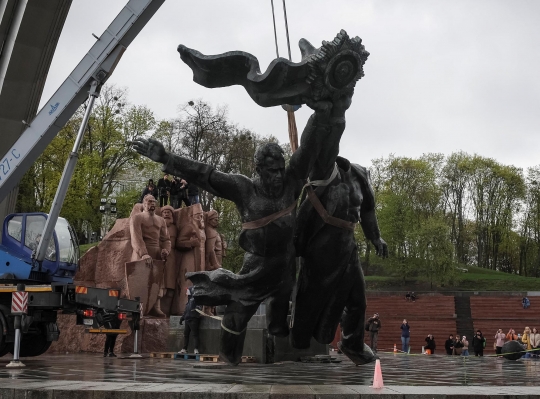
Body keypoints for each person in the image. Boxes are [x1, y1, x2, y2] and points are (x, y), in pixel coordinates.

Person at [133, 93, 346, 365]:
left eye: (280, 169)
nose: (278, 175)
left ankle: (283, 341)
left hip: (285, 266)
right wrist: (168, 158)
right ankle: (228, 361)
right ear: (259, 170)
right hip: (256, 267)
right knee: (235, 319)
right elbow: (206, 175)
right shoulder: (245, 189)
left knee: (280, 323)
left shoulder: (293, 180)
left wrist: (320, 111)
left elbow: (309, 146)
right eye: (271, 171)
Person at [129, 194, 171, 317]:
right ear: (144, 203)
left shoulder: (161, 220)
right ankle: (138, 308)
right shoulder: (137, 218)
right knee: (140, 280)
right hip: (141, 253)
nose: (152, 204)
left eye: (154, 201)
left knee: (157, 281)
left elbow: (166, 239)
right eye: (149, 201)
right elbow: (136, 237)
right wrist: (143, 254)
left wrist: (166, 250)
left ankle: (155, 307)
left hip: (156, 252)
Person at [178, 287, 202, 355]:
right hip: (187, 319)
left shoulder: (195, 299)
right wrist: (182, 318)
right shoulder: (188, 301)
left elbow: (199, 306)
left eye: (187, 291)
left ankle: (196, 349)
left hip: (193, 319)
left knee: (195, 334)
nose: (186, 293)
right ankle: (184, 348)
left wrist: (196, 310)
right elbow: (186, 311)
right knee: (186, 334)